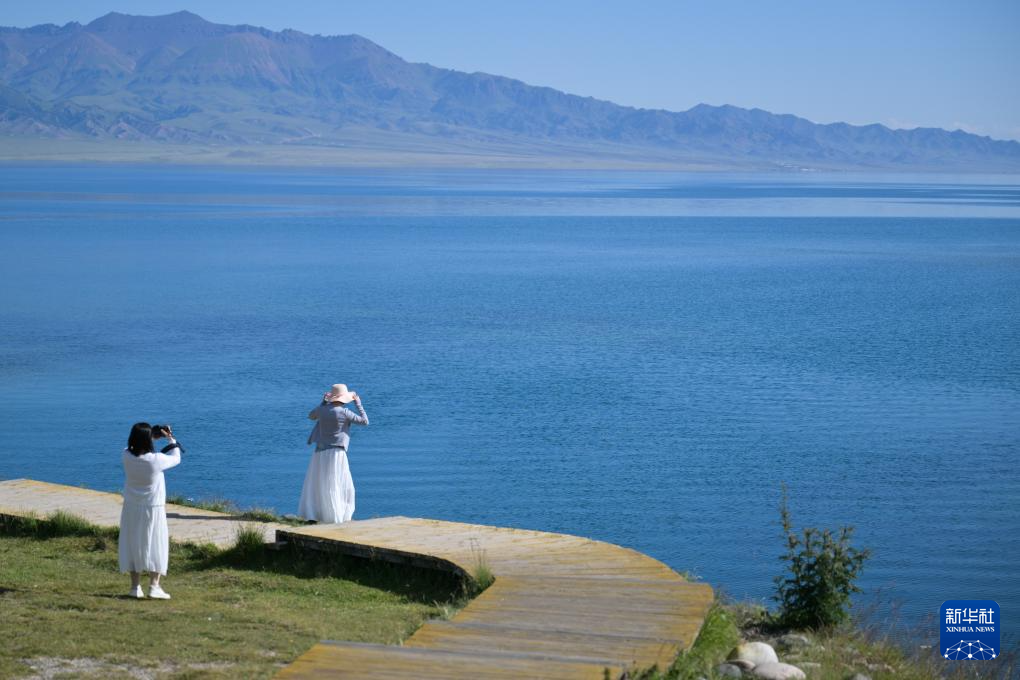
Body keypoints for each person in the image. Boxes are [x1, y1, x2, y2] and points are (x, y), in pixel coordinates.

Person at [119, 422, 182, 599]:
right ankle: (154, 586)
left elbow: (134, 447)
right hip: (153, 508)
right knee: (156, 544)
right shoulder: (156, 460)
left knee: (133, 544)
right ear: (148, 440)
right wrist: (171, 438)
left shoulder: (126, 456)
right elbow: (176, 457)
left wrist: (151, 435)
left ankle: (135, 587)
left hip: (131, 506)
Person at [299, 383, 369, 523]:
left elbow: (311, 416)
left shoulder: (322, 410)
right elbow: (365, 421)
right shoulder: (344, 412)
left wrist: (323, 402)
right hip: (337, 452)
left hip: (320, 452)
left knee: (320, 483)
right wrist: (358, 404)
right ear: (344, 398)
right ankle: (336, 516)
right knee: (338, 483)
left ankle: (317, 514)